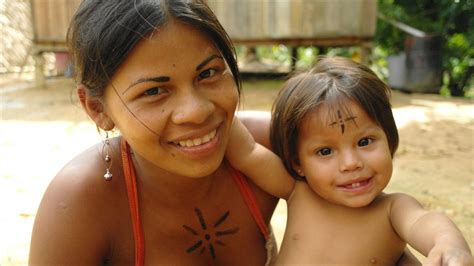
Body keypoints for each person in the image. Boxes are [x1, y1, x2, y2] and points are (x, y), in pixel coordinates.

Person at [28, 0, 280, 265]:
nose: (196, 112)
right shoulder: (79, 203)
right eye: (153, 92)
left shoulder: (275, 146)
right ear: (96, 108)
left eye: (208, 73)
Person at [226, 56, 473, 265]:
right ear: (297, 162)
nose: (350, 163)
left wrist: (448, 244)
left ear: (389, 140)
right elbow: (246, 152)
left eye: (365, 142)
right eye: (325, 151)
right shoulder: (297, 191)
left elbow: (425, 221)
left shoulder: (392, 210)